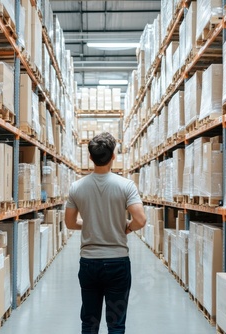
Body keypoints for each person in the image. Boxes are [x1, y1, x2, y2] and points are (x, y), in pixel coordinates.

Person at [65, 132, 147, 334]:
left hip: (89, 262)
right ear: (113, 157)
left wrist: (91, 224)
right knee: (116, 324)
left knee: (89, 323)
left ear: (91, 158)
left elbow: (69, 223)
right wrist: (126, 228)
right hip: (117, 262)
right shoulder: (126, 185)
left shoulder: (76, 187)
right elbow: (141, 220)